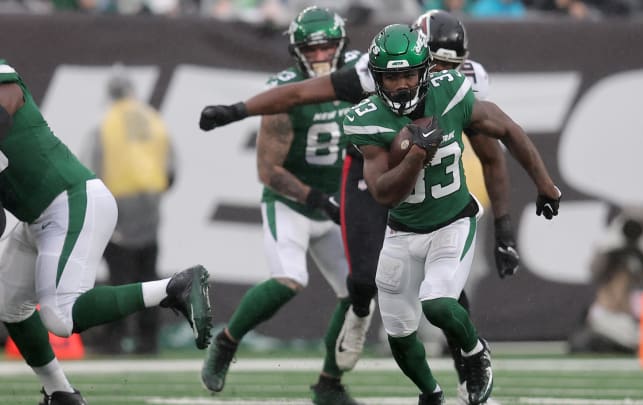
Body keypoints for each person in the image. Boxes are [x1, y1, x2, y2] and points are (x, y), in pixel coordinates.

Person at [199, 10, 523, 405]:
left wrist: (504, 227)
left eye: (446, 65)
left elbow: (492, 155)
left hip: (426, 189)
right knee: (360, 278)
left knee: (447, 294)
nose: (433, 74)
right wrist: (237, 110)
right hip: (363, 181)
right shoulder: (371, 74)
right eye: (431, 63)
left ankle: (466, 376)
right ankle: (354, 309)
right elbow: (298, 95)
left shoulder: (458, 86)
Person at [343, 24, 561, 404]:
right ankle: (431, 393)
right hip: (402, 230)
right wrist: (415, 156)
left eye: (409, 74)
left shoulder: (451, 93)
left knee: (439, 302)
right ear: (377, 78)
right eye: (391, 77)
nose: (401, 86)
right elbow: (382, 193)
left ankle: (475, 354)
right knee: (399, 331)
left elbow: (507, 129)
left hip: (452, 222)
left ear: (426, 70)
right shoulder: (367, 117)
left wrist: (545, 184)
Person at [0, 59, 212, 405]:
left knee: (60, 316)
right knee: (7, 305)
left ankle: (174, 288)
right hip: (37, 214)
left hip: (70, 200)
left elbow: (6, 101)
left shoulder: (4, 80)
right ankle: (60, 393)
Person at [199, 7, 362, 405]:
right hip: (292, 201)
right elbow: (268, 170)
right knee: (290, 279)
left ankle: (329, 382)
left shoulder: (361, 75)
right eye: (313, 49)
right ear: (297, 51)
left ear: (341, 46)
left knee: (358, 294)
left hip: (337, 198)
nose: (322, 56)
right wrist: (317, 199)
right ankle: (226, 341)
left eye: (328, 48)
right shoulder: (285, 92)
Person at [85, 64, 176, 354]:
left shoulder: (104, 122)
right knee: (149, 273)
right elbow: (172, 167)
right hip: (150, 203)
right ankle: (148, 338)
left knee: (119, 276)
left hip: (117, 204)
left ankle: (115, 337)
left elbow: (89, 167)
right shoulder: (154, 119)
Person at [568, 204, 643, 354]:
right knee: (617, 281)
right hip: (616, 313)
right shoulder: (612, 250)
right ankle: (625, 341)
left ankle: (639, 341)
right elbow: (594, 272)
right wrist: (610, 247)